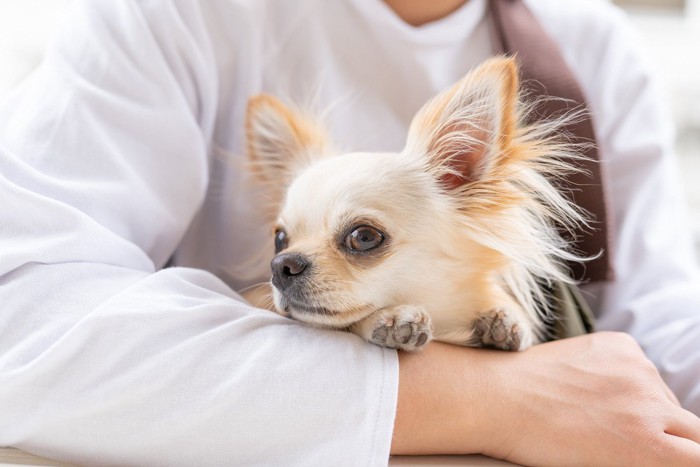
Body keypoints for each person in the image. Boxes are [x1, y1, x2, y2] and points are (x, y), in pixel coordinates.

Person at [1, 0, 699, 465]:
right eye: (283, 243)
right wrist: (495, 400)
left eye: (362, 237)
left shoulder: (591, 45)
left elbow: (662, 325)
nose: (288, 265)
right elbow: (21, 324)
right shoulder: (171, 15)